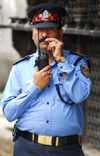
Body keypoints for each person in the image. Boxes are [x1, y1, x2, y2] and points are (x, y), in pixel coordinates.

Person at [1, 3, 91, 156]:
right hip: (27, 148)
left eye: (50, 29)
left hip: (67, 149)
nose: (44, 35)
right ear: (33, 33)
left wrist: (62, 61)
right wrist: (35, 86)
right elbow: (9, 113)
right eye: (39, 29)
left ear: (60, 33)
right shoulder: (20, 68)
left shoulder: (76, 63)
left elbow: (80, 95)